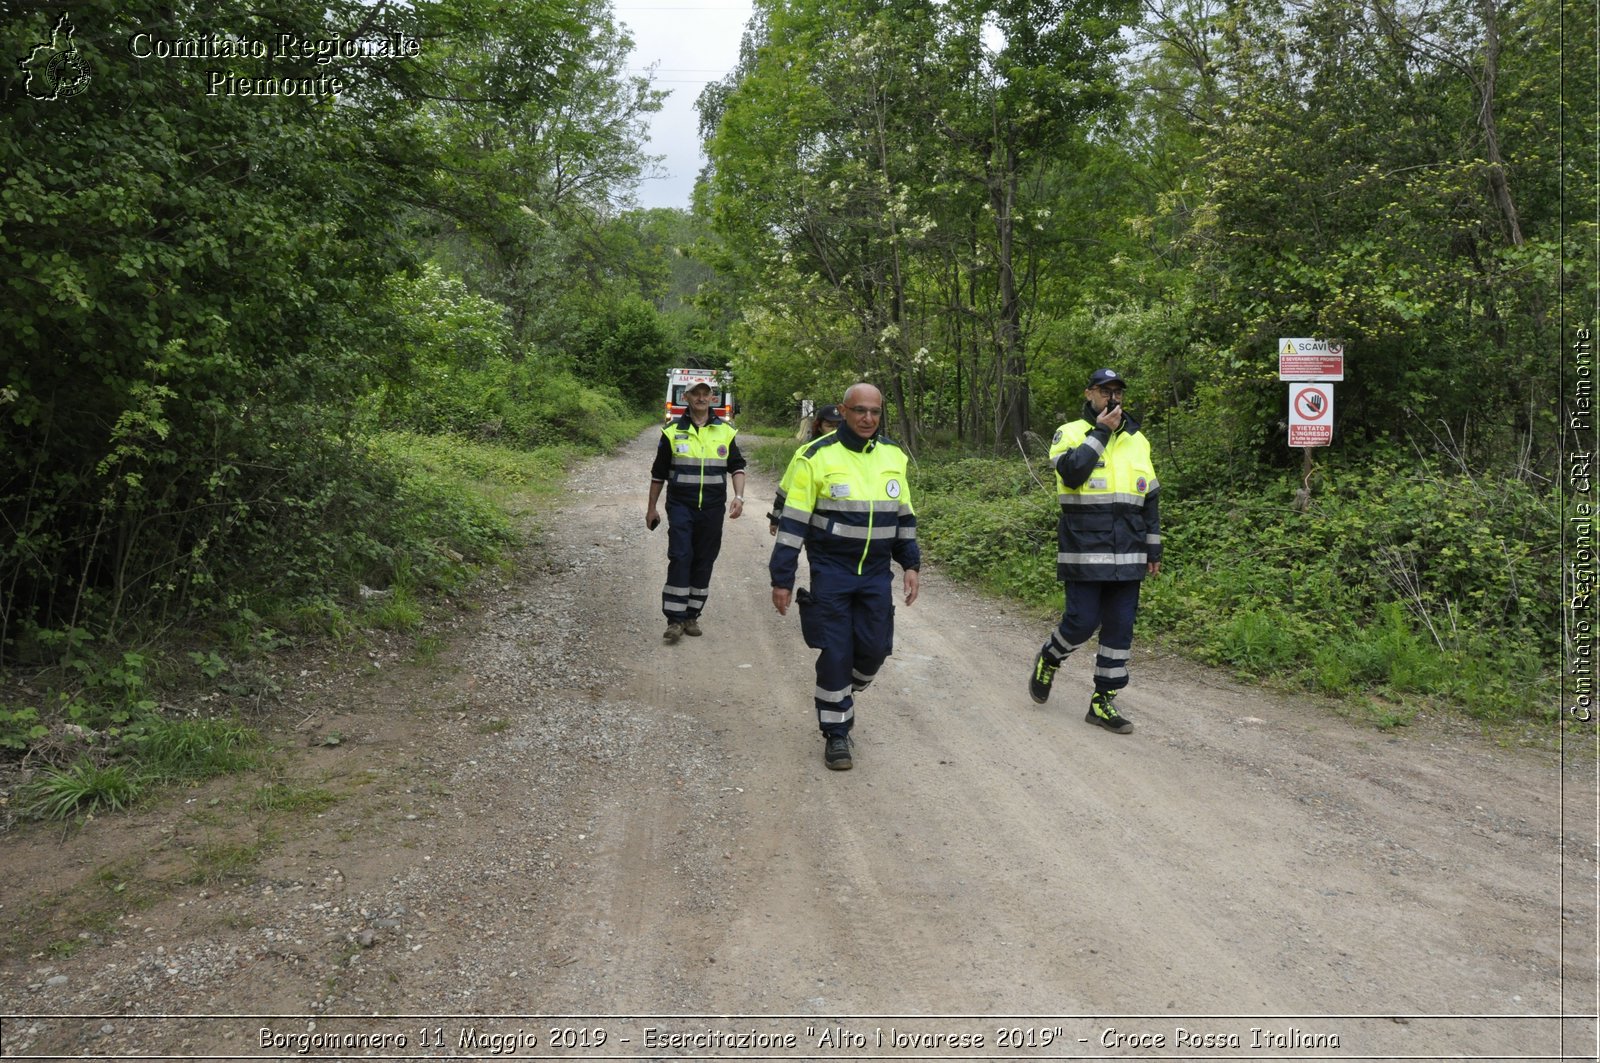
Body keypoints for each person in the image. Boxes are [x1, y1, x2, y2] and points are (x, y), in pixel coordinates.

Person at [770, 384, 920, 770]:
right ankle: (836, 733)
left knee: (874, 651)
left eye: (874, 411)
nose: (867, 418)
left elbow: (903, 515)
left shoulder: (893, 456)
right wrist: (782, 578)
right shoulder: (816, 457)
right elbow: (793, 524)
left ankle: (843, 690)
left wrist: (911, 564)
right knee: (836, 651)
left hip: (874, 573)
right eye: (859, 411)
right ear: (843, 410)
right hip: (831, 570)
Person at [1028, 368, 1162, 734]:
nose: (1113, 396)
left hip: (1130, 552)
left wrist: (1154, 547)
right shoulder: (1070, 433)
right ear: (1090, 394)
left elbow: (1149, 496)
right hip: (1085, 551)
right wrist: (1101, 431)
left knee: (1120, 630)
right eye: (1105, 391)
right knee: (1082, 622)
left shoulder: (1138, 440)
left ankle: (1103, 701)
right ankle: (1050, 658)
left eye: (1117, 390)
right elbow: (1071, 473)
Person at [647, 379, 747, 643]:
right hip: (681, 506)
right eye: (696, 394)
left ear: (712, 399)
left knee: (704, 559)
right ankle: (674, 620)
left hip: (712, 509)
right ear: (687, 397)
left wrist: (739, 497)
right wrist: (651, 508)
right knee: (681, 556)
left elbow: (737, 466)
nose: (701, 398)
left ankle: (692, 615)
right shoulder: (671, 431)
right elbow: (658, 474)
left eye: (706, 394)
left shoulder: (726, 431)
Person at [768, 404, 842, 535]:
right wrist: (775, 517)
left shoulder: (854, 453)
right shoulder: (807, 453)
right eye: (829, 426)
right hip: (818, 531)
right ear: (819, 427)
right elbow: (786, 488)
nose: (834, 431)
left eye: (838, 426)